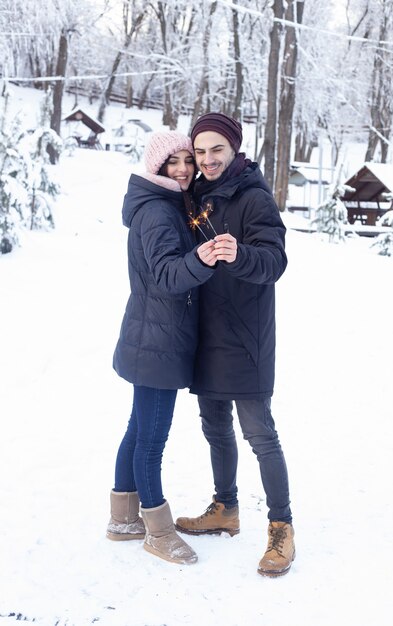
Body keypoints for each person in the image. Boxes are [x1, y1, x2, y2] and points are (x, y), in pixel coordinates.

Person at [174, 112, 295, 577]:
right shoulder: (194, 196)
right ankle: (225, 507)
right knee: (214, 426)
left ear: (234, 150)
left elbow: (275, 261)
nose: (206, 160)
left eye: (216, 150)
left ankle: (281, 527)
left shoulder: (254, 198)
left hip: (246, 335)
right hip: (205, 332)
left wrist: (242, 254)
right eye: (200, 151)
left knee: (260, 433)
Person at [107, 131, 216, 565]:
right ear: (157, 166)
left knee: (138, 430)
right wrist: (203, 258)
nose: (184, 169)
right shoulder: (157, 212)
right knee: (152, 439)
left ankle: (122, 520)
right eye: (174, 162)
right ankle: (157, 531)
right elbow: (169, 276)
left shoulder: (171, 206)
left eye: (188, 160)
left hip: (154, 335)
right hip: (158, 340)